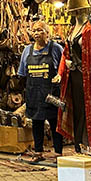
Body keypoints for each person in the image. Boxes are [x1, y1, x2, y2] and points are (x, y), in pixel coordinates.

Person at [17, 21, 64, 159]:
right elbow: (22, 73)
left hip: (51, 94)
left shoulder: (56, 49)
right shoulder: (27, 50)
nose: (36, 33)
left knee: (55, 122)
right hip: (34, 93)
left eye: (40, 30)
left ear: (47, 33)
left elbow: (64, 69)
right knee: (37, 123)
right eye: (34, 30)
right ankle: (38, 151)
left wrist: (60, 76)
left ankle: (58, 152)